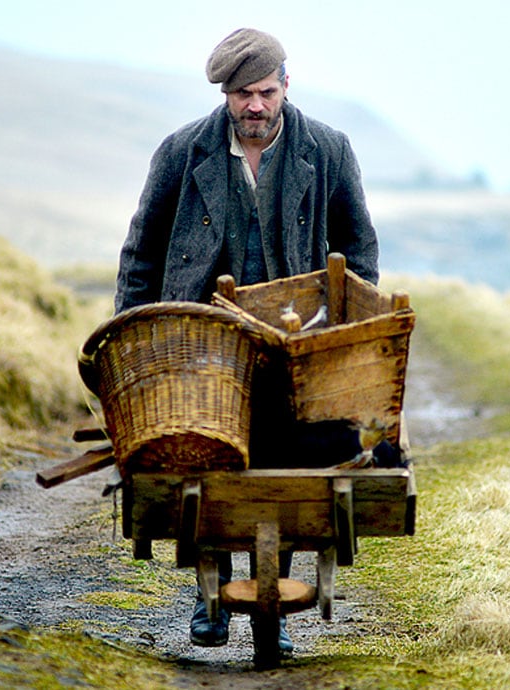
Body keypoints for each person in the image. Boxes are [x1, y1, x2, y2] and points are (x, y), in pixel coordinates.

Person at [112, 28, 380, 653]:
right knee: (203, 462)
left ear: (287, 85)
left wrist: (348, 339)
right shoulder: (182, 152)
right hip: (202, 348)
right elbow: (141, 253)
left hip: (297, 346)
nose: (254, 106)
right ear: (224, 95)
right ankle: (210, 591)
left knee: (286, 470)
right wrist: (131, 342)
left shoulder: (329, 151)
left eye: (264, 92)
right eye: (241, 95)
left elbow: (358, 247)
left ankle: (276, 607)